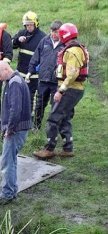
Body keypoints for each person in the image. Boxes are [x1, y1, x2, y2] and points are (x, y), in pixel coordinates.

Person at [33, 23, 88, 160]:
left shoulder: (71, 51)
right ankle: (67, 148)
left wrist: (61, 91)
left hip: (70, 89)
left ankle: (49, 149)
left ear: (64, 35)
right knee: (64, 117)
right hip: (75, 88)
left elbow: (72, 75)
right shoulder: (76, 49)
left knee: (53, 118)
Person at [0, 61, 32, 204]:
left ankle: (7, 194)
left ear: (6, 69)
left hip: (15, 130)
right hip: (18, 128)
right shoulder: (14, 80)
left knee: (7, 162)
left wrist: (9, 129)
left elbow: (15, 109)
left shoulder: (14, 83)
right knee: (12, 160)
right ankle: (12, 190)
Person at [27, 20, 64, 130]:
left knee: (55, 106)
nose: (53, 34)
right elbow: (35, 57)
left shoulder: (65, 44)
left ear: (61, 32)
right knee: (39, 105)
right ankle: (36, 127)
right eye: (52, 31)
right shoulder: (44, 41)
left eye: (56, 32)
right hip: (43, 80)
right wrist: (30, 71)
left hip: (57, 81)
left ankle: (53, 129)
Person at [12, 11, 46, 120]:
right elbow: (11, 44)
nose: (28, 27)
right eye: (26, 25)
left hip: (34, 74)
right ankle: (20, 116)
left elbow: (45, 56)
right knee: (19, 95)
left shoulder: (42, 37)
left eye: (30, 25)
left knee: (32, 97)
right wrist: (17, 39)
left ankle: (31, 120)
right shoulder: (22, 33)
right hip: (21, 71)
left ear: (36, 24)